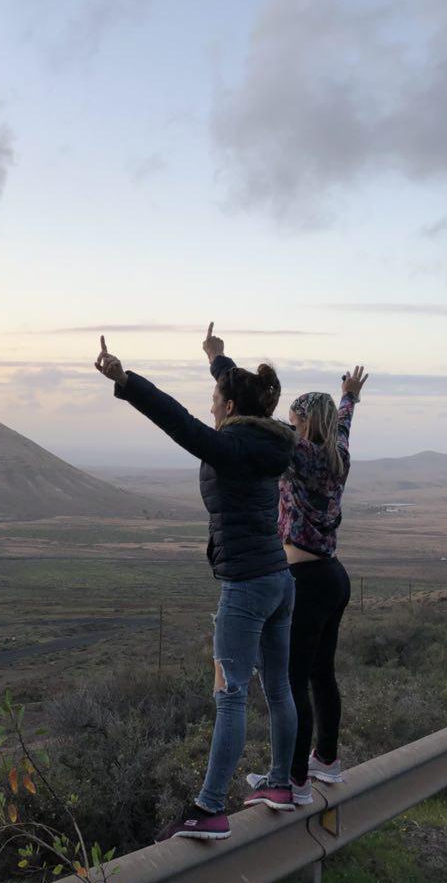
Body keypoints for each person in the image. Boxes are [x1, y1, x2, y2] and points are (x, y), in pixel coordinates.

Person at [94, 328, 299, 842]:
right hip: (279, 577)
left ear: (229, 407)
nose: (210, 409)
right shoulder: (267, 440)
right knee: (277, 688)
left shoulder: (229, 446)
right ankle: (281, 783)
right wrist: (216, 358)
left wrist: (126, 381)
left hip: (246, 586)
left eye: (215, 401)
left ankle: (208, 809)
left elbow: (177, 423)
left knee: (230, 697)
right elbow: (233, 396)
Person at [210, 336, 368, 806]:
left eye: (295, 422)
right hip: (333, 575)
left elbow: (257, 421)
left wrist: (221, 365)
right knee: (322, 673)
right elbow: (343, 423)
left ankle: (294, 780)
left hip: (305, 578)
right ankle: (326, 760)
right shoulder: (338, 451)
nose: (290, 427)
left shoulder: (300, 455)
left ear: (304, 425)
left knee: (292, 680)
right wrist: (350, 395)